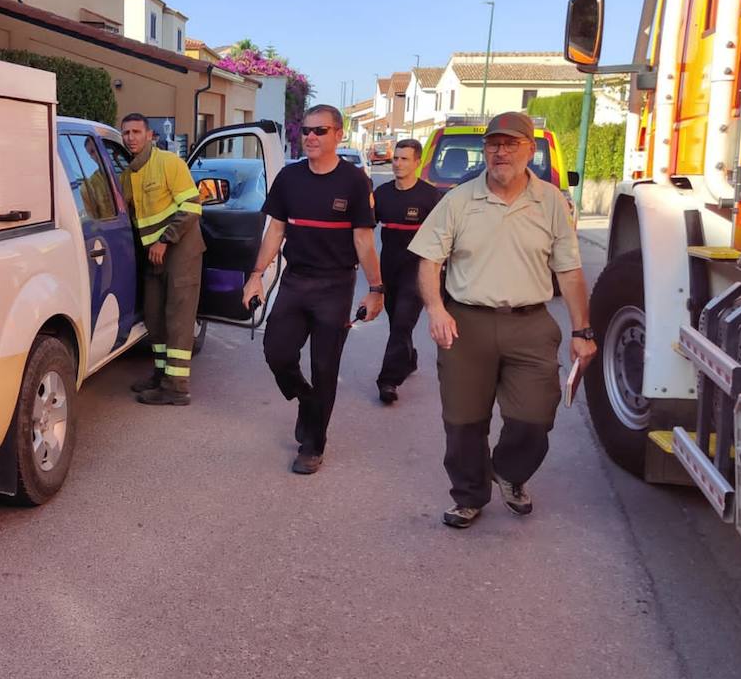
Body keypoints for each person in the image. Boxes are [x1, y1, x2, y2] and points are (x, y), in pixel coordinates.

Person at [408, 111, 597, 529]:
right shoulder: (458, 201)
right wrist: (436, 310)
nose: (501, 152)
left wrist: (582, 330)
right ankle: (469, 495)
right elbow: (429, 261)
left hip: (530, 324)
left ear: (530, 149)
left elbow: (568, 270)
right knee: (463, 421)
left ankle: (510, 473)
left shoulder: (550, 201)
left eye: (511, 144)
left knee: (535, 417)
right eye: (494, 144)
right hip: (466, 323)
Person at [243, 105, 384, 475]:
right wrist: (257, 274)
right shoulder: (289, 178)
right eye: (306, 130)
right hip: (295, 281)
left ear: (338, 134)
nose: (311, 137)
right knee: (276, 351)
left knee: (325, 367)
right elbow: (275, 230)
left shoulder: (354, 181)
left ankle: (313, 443)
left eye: (320, 131)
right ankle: (306, 398)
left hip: (335, 286)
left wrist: (375, 289)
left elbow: (364, 241)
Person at [118, 113, 204, 406]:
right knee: (154, 316)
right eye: (126, 133)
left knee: (178, 319)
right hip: (152, 254)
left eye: (136, 132)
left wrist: (165, 241)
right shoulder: (128, 175)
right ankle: (160, 374)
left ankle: (177, 388)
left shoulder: (169, 163)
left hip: (180, 250)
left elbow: (192, 206)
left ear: (150, 135)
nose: (130, 138)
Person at [372, 139, 441, 404]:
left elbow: (443, 236)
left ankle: (388, 381)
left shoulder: (430, 196)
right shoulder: (383, 194)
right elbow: (365, 229)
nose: (398, 164)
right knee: (397, 323)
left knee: (402, 321)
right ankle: (409, 359)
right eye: (396, 159)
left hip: (418, 271)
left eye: (404, 159)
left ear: (417, 162)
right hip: (390, 267)